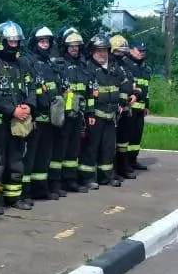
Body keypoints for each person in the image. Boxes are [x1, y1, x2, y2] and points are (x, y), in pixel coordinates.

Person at [0, 21, 33, 213]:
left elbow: (31, 87)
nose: (14, 45)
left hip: (18, 122)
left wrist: (29, 105)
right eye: (10, 41)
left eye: (16, 41)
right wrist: (11, 110)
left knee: (16, 162)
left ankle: (13, 198)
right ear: (1, 41)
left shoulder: (22, 63)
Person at [80, 34, 127, 187]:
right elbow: (86, 94)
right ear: (92, 52)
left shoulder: (115, 67)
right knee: (91, 148)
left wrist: (122, 101)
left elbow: (125, 84)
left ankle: (106, 177)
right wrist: (90, 113)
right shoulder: (87, 68)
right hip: (95, 116)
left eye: (105, 50)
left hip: (111, 115)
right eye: (98, 50)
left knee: (108, 148)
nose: (102, 54)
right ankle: (88, 178)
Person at [22, 26, 63, 201]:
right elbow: (25, 90)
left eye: (47, 41)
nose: (45, 45)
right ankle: (24, 192)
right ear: (34, 43)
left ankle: (40, 190)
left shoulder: (50, 63)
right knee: (28, 157)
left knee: (44, 157)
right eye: (42, 41)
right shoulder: (26, 61)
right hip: (34, 118)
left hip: (49, 118)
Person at [55, 28, 92, 194]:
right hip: (64, 115)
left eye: (77, 46)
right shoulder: (59, 63)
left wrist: (88, 112)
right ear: (65, 46)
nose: (75, 49)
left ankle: (70, 180)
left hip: (79, 114)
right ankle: (57, 181)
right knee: (60, 150)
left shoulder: (83, 65)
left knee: (73, 150)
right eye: (71, 46)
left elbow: (89, 90)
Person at [118, 41, 150, 172]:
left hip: (141, 108)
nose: (141, 53)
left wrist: (147, 105)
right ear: (131, 50)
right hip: (129, 107)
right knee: (127, 137)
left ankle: (133, 160)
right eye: (139, 50)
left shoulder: (145, 68)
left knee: (137, 137)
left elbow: (147, 89)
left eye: (143, 50)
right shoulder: (126, 65)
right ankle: (125, 163)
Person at [109, 34, 137, 180]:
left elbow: (131, 83)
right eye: (118, 51)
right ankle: (113, 170)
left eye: (123, 51)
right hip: (114, 109)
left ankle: (123, 167)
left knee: (123, 140)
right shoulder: (109, 66)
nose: (121, 54)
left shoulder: (126, 66)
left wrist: (134, 94)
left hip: (126, 108)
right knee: (112, 142)